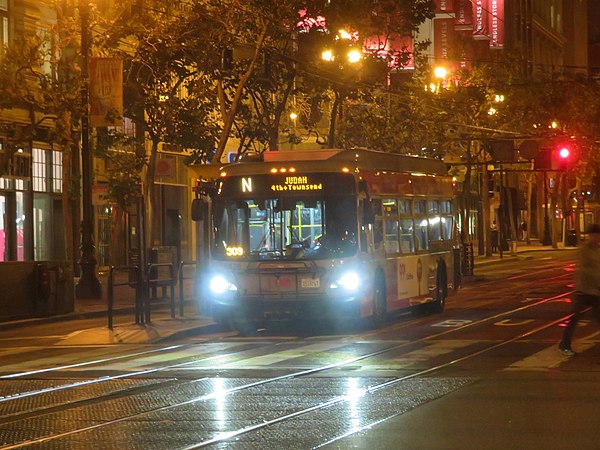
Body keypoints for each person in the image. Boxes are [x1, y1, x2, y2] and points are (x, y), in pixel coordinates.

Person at [558, 223, 600, 356]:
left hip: (595, 291)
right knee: (575, 318)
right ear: (592, 235)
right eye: (596, 235)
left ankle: (564, 344)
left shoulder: (597, 250)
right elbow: (583, 269)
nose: (597, 238)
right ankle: (564, 345)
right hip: (584, 290)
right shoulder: (584, 250)